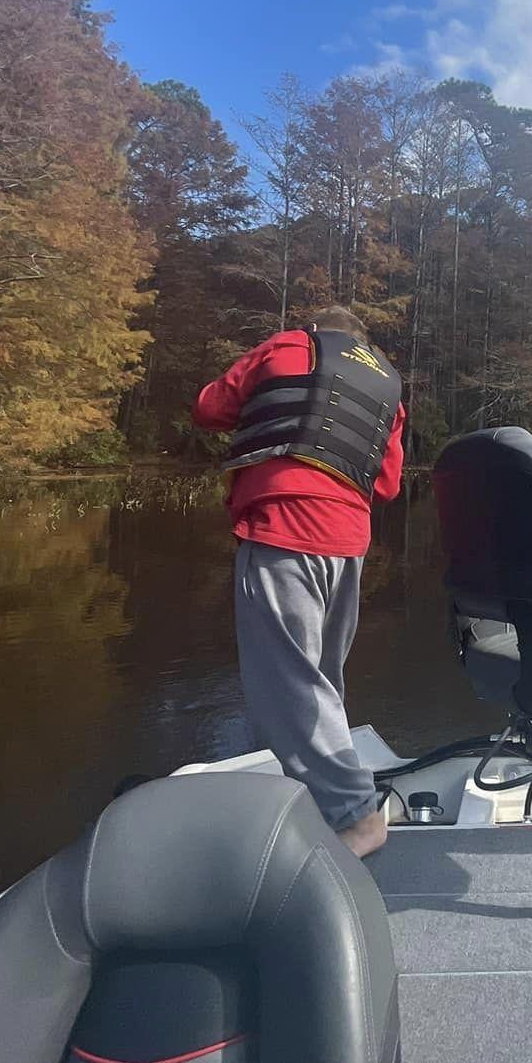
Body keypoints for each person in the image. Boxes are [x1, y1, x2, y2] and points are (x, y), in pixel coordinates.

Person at [193, 306, 406, 858]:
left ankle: (358, 816)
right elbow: (385, 485)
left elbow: (210, 407)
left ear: (317, 330)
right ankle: (325, 795)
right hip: (347, 542)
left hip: (285, 524)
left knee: (286, 682)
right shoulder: (385, 382)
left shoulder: (284, 347)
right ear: (359, 341)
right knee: (321, 681)